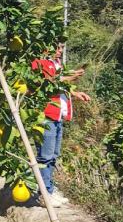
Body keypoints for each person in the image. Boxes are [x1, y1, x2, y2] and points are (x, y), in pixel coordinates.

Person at [30, 46, 90, 206]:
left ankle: (48, 189)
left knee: (53, 156)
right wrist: (70, 76)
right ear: (46, 45)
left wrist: (76, 93)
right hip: (45, 116)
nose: (60, 51)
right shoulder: (39, 62)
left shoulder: (57, 64)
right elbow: (48, 82)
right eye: (57, 47)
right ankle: (43, 194)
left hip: (57, 116)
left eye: (62, 48)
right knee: (45, 156)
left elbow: (62, 85)